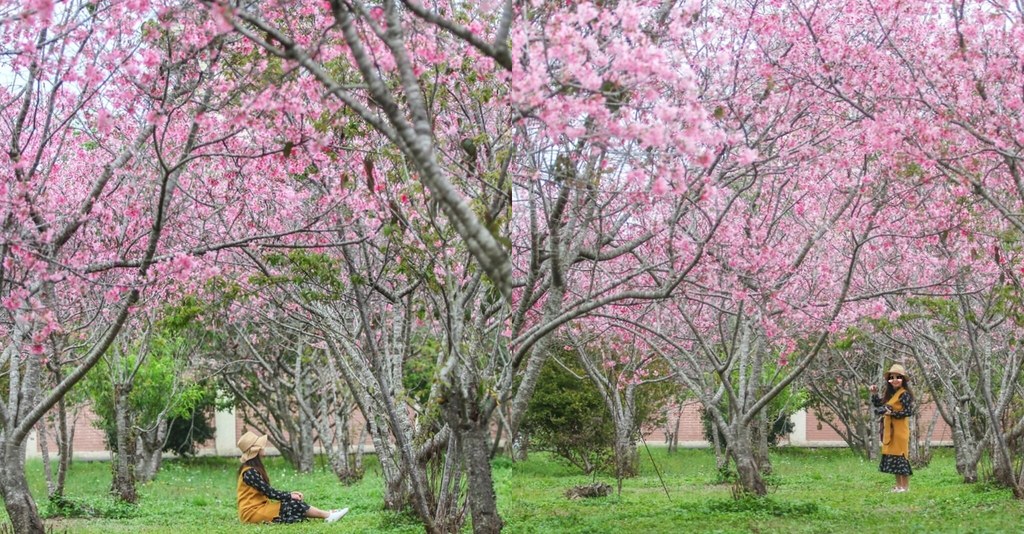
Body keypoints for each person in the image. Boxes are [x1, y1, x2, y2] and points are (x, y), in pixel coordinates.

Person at [236, 431, 349, 524]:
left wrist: (290, 495)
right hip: (252, 513)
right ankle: (328, 515)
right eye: (261, 446)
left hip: (260, 508)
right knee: (292, 505)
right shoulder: (250, 472)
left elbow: (268, 492)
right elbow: (270, 493)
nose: (264, 448)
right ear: (256, 450)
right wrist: (290, 495)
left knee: (291, 508)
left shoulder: (252, 469)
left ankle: (328, 514)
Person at [869, 364, 915, 493]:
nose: (895, 380)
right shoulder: (890, 395)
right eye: (892, 377)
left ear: (903, 380)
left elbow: (908, 412)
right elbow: (879, 404)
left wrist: (892, 413)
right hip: (890, 431)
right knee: (894, 457)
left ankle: (905, 487)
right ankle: (898, 486)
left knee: (901, 457)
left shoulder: (904, 394)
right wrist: (874, 393)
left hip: (900, 431)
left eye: (898, 377)